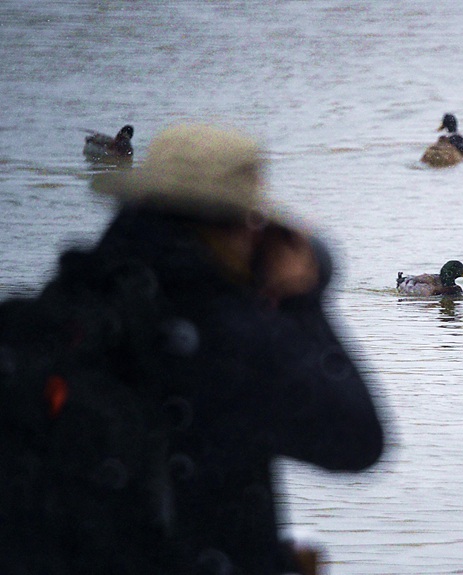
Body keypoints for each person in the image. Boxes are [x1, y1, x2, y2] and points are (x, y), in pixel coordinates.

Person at [2, 123, 386, 573]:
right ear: (238, 225)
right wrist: (303, 304)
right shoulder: (227, 337)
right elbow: (358, 441)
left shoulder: (56, 310)